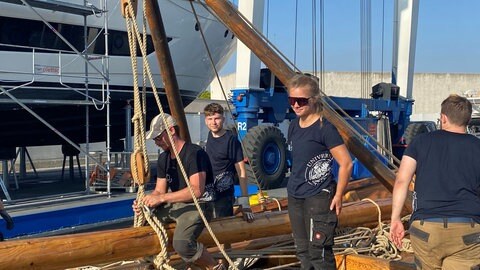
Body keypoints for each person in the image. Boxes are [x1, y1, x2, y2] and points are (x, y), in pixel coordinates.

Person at [390, 94, 480, 270]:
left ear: (443, 118)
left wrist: (395, 219)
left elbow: (402, 181)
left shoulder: (420, 142)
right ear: (468, 120)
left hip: (426, 229)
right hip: (467, 230)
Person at [132, 113, 224, 270]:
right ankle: (150, 265)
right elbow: (159, 190)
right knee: (143, 231)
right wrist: (146, 201)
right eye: (155, 139)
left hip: (199, 205)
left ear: (171, 131)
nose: (157, 142)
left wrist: (162, 198)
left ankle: (214, 267)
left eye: (159, 137)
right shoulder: (164, 159)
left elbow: (196, 191)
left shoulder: (194, 154)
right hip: (177, 204)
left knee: (182, 243)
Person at [286, 74, 353, 269]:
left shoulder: (325, 129)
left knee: (319, 252)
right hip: (295, 195)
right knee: (302, 251)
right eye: (292, 100)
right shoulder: (293, 126)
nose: (296, 105)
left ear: (314, 100)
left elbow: (346, 163)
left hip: (319, 196)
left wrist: (339, 195)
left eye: (301, 101)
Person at [203, 102, 254, 222]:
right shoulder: (209, 136)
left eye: (217, 118)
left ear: (223, 119)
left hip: (224, 194)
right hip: (208, 192)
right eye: (210, 119)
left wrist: (245, 203)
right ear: (205, 121)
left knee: (223, 227)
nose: (213, 122)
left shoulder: (231, 140)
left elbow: (241, 171)